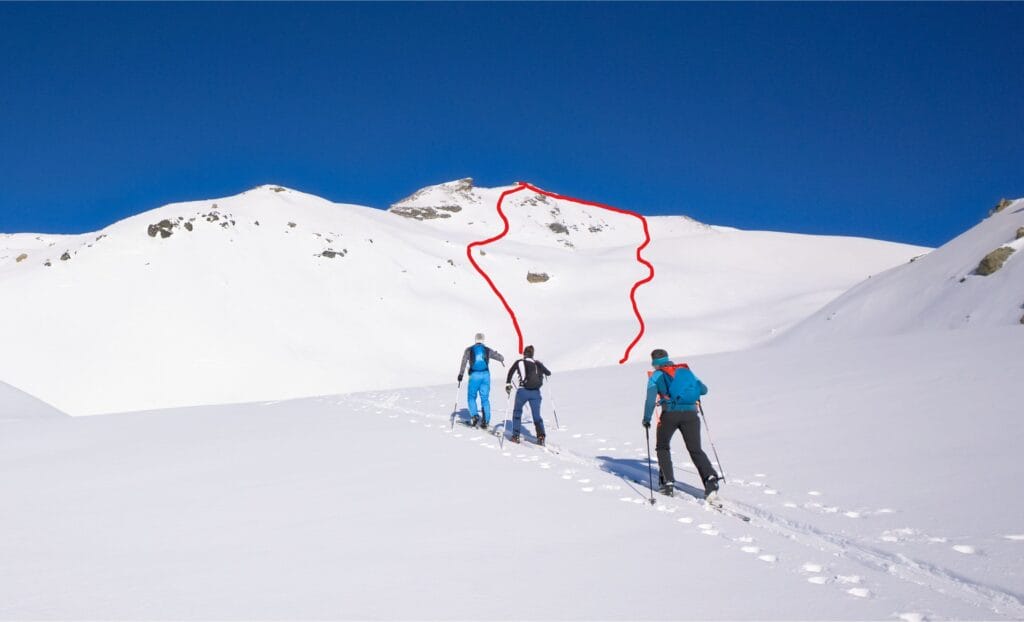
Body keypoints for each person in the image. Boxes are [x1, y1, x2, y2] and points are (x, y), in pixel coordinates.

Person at [642, 348, 720, 499]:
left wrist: (646, 418)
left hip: (670, 415)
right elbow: (703, 390)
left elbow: (650, 399)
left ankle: (668, 483)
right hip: (691, 415)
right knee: (695, 449)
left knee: (663, 447)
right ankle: (710, 479)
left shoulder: (656, 376)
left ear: (654, 363)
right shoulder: (684, 371)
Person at [505, 345, 551, 445]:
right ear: (532, 354)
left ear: (524, 354)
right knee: (537, 416)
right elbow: (548, 373)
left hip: (523, 391)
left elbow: (510, 372)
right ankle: (541, 436)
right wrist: (541, 367)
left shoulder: (519, 362)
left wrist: (508, 384)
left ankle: (515, 436)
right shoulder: (537, 363)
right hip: (536, 393)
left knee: (517, 412)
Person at [457, 333, 505, 429]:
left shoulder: (469, 350)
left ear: (475, 340)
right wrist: (499, 356)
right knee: (485, 398)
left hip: (474, 375)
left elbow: (464, 362)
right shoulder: (487, 350)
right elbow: (500, 357)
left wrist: (461, 374)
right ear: (483, 340)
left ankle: (474, 416)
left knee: (471, 397)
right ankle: (486, 421)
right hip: (485, 375)